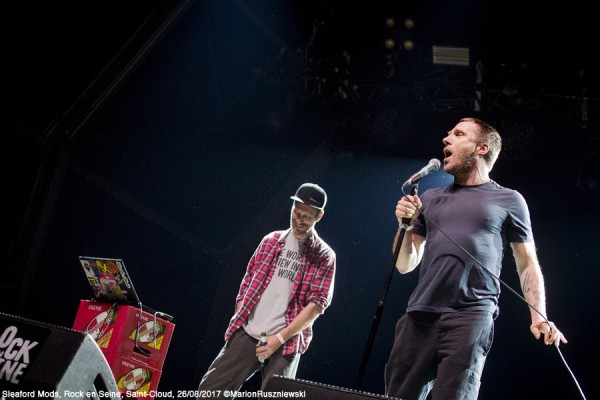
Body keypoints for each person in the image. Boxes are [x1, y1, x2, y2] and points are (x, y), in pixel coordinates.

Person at [384, 117, 567, 400]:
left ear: (482, 148)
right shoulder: (430, 198)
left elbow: (527, 262)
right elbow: (405, 264)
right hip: (420, 315)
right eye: (448, 135)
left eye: (458, 134)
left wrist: (539, 315)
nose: (447, 139)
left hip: (470, 316)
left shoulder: (509, 200)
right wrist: (404, 225)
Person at [198, 183, 336, 398]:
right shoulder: (270, 241)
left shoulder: (324, 256)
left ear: (319, 216)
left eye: (306, 217)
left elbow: (316, 307)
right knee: (209, 392)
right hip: (250, 332)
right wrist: (243, 315)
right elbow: (247, 282)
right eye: (296, 213)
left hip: (286, 342)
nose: (299, 220)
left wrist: (278, 339)